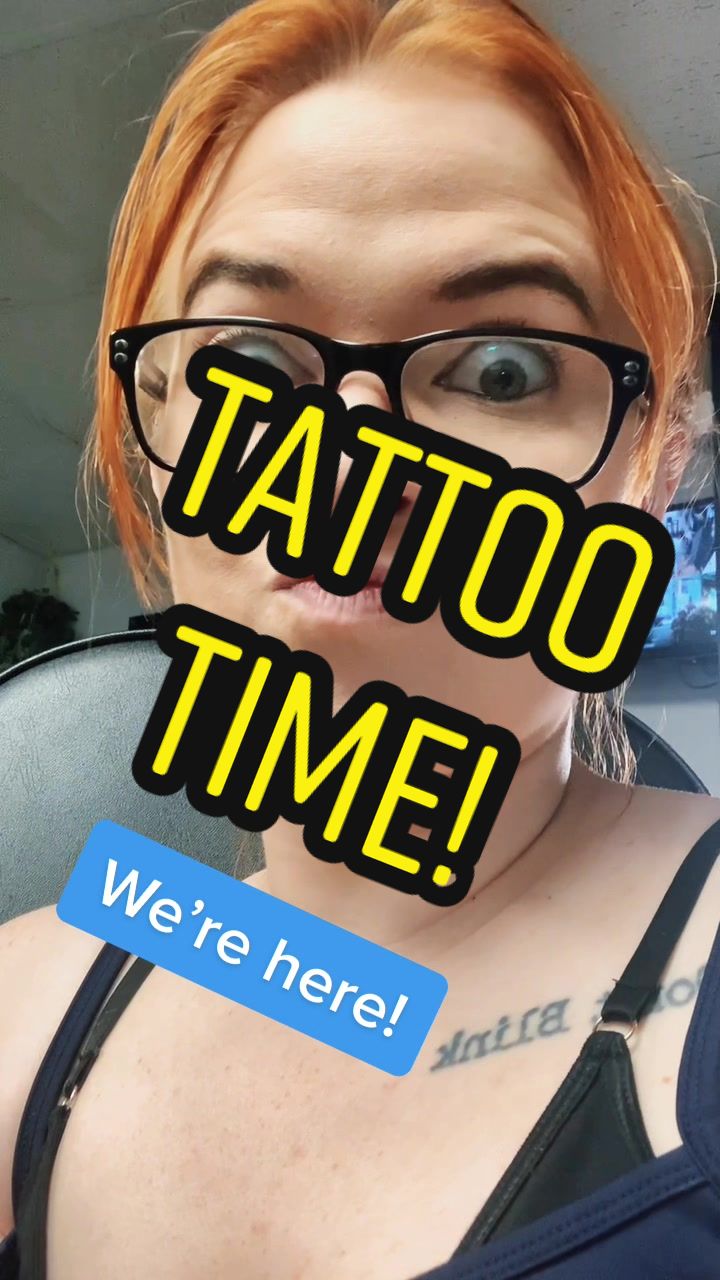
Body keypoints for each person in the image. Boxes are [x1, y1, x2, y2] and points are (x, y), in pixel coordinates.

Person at [1, 1, 719, 1276]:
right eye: (252, 363)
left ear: (652, 475)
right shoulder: (27, 995)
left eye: (502, 370)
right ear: (154, 444)